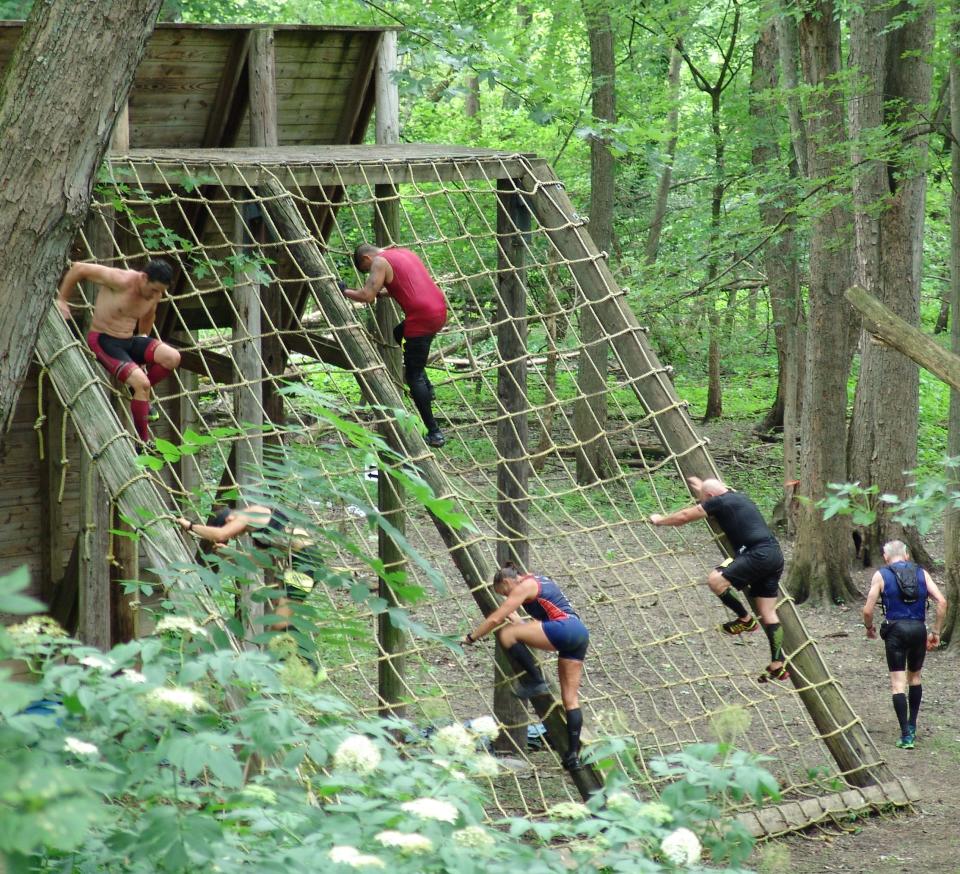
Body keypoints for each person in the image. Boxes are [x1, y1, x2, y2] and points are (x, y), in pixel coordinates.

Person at [651, 476, 788, 683]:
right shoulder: (736, 496)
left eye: (703, 499)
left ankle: (745, 620)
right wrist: (699, 485)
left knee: (716, 580)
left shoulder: (718, 502)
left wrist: (660, 520)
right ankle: (777, 664)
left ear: (710, 497)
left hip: (756, 554)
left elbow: (685, 516)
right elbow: (711, 491)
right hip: (774, 555)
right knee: (768, 612)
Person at [463, 562, 589, 771]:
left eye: (504, 592)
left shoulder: (524, 586)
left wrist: (471, 637)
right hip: (578, 633)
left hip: (563, 628)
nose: (506, 597)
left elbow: (496, 619)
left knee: (507, 633)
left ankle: (535, 680)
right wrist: (518, 621)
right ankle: (572, 756)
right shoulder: (538, 579)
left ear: (506, 581)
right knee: (570, 700)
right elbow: (541, 618)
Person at [57, 259, 181, 443]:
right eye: (154, 289)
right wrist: (62, 300)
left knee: (173, 357)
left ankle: (138, 392)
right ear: (144, 277)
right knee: (142, 384)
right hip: (104, 340)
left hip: (129, 340)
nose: (157, 295)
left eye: (161, 291)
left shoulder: (154, 295)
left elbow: (149, 314)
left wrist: (144, 341)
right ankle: (143, 442)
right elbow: (79, 269)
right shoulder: (121, 280)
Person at [341, 244, 448, 447]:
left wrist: (345, 291)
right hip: (439, 311)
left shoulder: (379, 262)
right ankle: (427, 386)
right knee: (399, 332)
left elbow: (366, 296)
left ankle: (435, 432)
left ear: (366, 259)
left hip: (422, 319)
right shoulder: (403, 251)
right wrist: (382, 293)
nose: (370, 273)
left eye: (366, 271)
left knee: (413, 376)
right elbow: (407, 284)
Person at [862, 540, 946, 749]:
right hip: (918, 629)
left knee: (897, 685)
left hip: (895, 631)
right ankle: (913, 724)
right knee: (915, 678)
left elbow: (867, 610)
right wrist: (935, 631)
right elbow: (942, 602)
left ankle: (906, 736)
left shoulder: (881, 575)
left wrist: (869, 628)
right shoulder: (922, 573)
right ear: (907, 555)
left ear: (885, 557)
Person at [177, 505, 316, 628]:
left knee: (279, 625)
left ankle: (300, 657)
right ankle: (296, 655)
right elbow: (262, 561)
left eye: (231, 530)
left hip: (306, 563)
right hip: (299, 565)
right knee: (279, 618)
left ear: (230, 519)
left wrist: (190, 526)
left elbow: (220, 534)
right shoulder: (258, 531)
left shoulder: (249, 514)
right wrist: (230, 555)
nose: (232, 537)